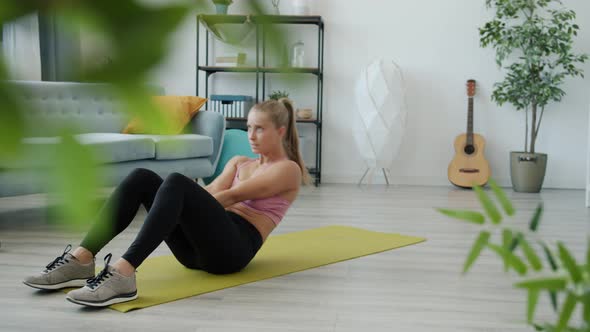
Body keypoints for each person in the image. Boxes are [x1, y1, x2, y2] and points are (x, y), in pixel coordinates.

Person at [23, 98, 311, 307]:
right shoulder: (239, 162)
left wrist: (182, 198)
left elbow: (230, 196)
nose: (251, 135)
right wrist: (176, 200)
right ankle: (82, 259)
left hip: (233, 251)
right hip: (194, 252)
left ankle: (123, 274)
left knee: (175, 182)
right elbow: (210, 193)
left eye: (260, 129)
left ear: (281, 131)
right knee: (142, 177)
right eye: (248, 127)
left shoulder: (288, 169)